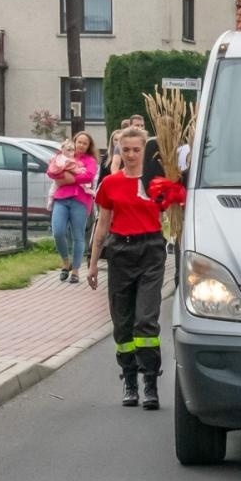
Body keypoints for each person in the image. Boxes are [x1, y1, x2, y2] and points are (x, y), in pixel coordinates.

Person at [87, 127, 186, 409]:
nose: (130, 155)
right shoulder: (110, 184)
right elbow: (103, 223)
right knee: (123, 324)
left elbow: (177, 208)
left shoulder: (155, 182)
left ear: (144, 150)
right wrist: (93, 263)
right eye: (125, 150)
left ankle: (150, 382)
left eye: (136, 150)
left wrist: (176, 187)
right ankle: (130, 379)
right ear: (119, 150)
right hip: (120, 252)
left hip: (151, 251)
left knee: (145, 320)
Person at [48, 131, 98, 284]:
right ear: (74, 142)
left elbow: (89, 176)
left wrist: (69, 178)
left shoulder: (90, 160)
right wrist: (65, 178)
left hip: (80, 200)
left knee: (78, 235)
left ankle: (75, 270)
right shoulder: (64, 156)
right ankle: (65, 263)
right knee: (58, 231)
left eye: (85, 143)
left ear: (89, 146)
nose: (81, 145)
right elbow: (51, 171)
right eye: (79, 142)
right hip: (61, 198)